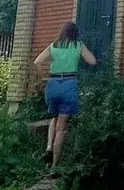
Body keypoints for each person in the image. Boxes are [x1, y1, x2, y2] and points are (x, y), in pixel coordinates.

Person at [33, 22, 96, 168]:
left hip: (52, 84)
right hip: (69, 84)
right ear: (76, 34)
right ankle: (55, 166)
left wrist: (42, 78)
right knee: (61, 127)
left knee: (53, 118)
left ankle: (49, 147)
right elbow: (92, 61)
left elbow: (37, 62)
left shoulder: (54, 45)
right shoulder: (78, 45)